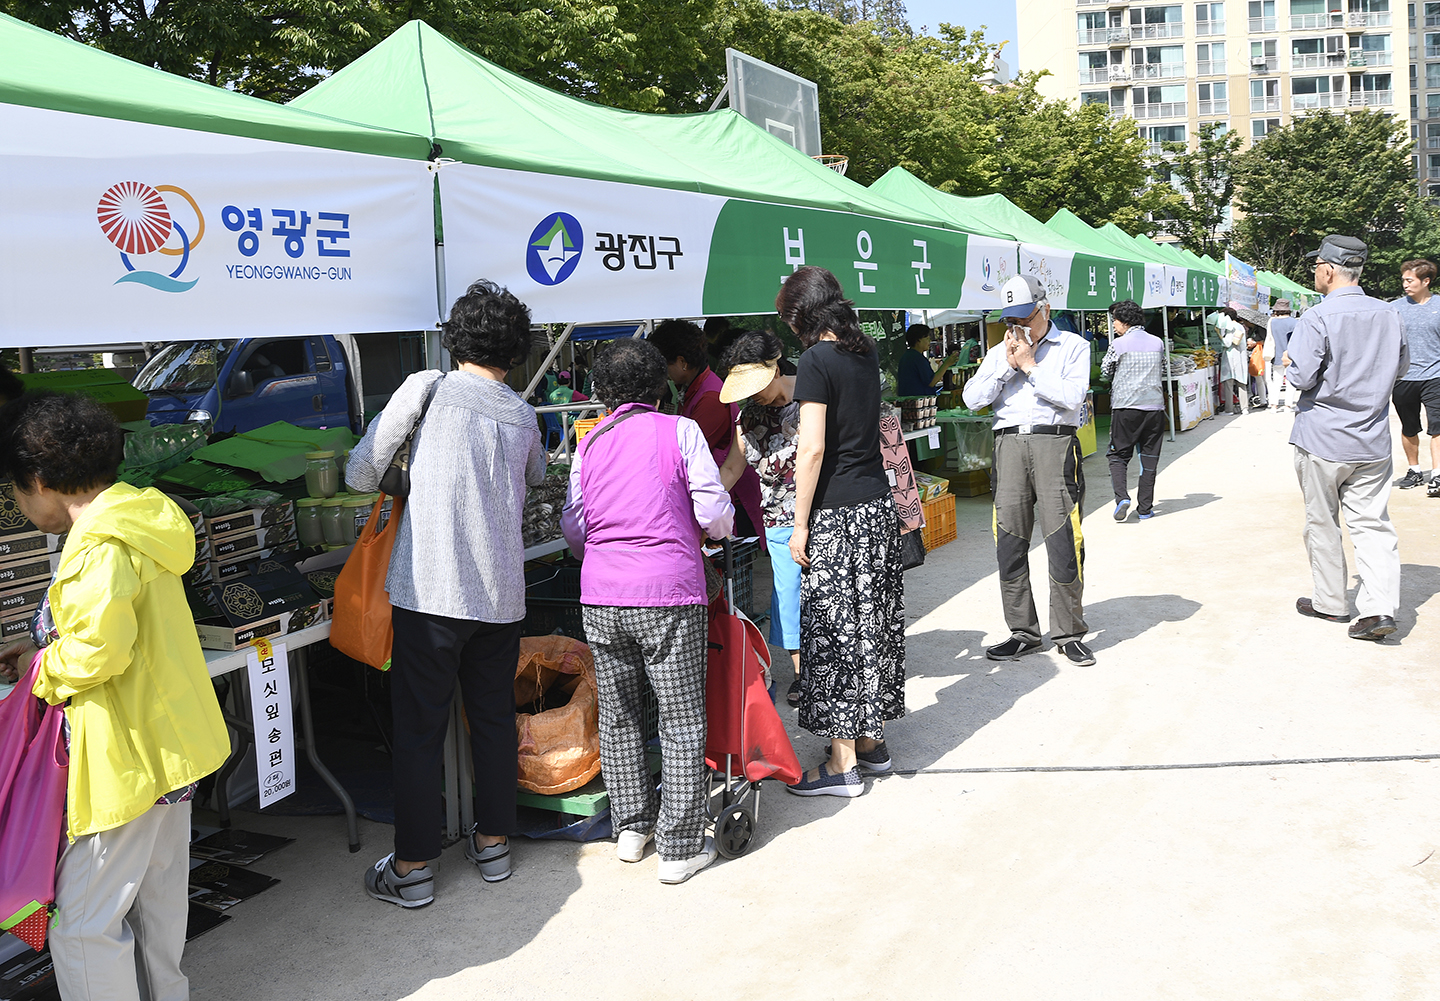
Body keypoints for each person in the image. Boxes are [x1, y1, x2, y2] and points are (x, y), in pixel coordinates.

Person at [0, 391, 230, 1001]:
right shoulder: (138, 521)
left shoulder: (97, 544)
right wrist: (38, 645)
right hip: (170, 748)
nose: (21, 505)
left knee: (81, 927)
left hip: (123, 756)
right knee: (157, 908)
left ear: (43, 482)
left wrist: (35, 668)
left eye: (19, 491)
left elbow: (97, 653)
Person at [347, 279, 546, 908]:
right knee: (491, 720)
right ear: (515, 350)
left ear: (453, 337)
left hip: (431, 590)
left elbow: (359, 472)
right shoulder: (523, 412)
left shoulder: (425, 389)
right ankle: (493, 846)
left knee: (418, 729)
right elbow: (537, 478)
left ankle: (413, 867)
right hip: (500, 595)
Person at [559, 338, 734, 884]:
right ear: (661, 386)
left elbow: (573, 523)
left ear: (603, 393)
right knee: (681, 720)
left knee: (618, 713)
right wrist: (716, 531)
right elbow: (711, 509)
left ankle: (631, 830)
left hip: (602, 595)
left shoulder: (590, 443)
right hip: (669, 594)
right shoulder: (680, 431)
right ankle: (680, 848)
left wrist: (607, 557)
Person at [778, 266, 906, 798]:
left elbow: (811, 449)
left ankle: (841, 762)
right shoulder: (863, 351)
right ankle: (871, 744)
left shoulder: (814, 360)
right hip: (876, 507)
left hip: (837, 513)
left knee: (832, 630)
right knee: (871, 624)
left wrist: (801, 524)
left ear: (801, 316)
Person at [962, 274, 1094, 666]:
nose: (1019, 328)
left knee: (1062, 540)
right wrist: (1006, 367)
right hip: (1007, 445)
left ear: (1045, 309)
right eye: (1011, 321)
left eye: (1026, 318)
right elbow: (972, 399)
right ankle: (1023, 631)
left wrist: (1032, 367)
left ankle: (1068, 632)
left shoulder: (1072, 346)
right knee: (1009, 540)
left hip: (1055, 442)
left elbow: (1072, 398)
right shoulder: (997, 352)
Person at [1284, 235, 1408, 642]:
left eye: (1316, 265)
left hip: (1323, 436)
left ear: (1329, 269)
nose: (1314, 272)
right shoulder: (1389, 313)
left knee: (1322, 522)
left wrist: (1291, 362)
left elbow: (1302, 376)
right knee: (1373, 526)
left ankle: (1331, 602)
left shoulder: (1317, 317)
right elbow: (1401, 367)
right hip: (1372, 438)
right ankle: (1379, 610)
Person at [715, 331, 804, 707]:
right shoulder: (747, 413)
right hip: (779, 519)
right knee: (788, 597)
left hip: (824, 512)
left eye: (757, 385)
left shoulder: (813, 395)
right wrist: (699, 505)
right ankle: (805, 675)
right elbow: (734, 467)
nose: (754, 395)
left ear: (775, 367)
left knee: (826, 597)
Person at [649, 319, 765, 542]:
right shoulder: (695, 388)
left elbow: (683, 457)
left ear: (682, 362)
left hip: (730, 497)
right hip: (721, 493)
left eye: (665, 366)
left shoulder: (710, 397)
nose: (664, 375)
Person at [1100, 299, 1166, 523]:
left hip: (1126, 407)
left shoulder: (1119, 344)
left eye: (1115, 321)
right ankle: (1145, 509)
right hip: (1154, 407)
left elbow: (1106, 370)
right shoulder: (1157, 342)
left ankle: (1122, 498)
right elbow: (1163, 368)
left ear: (1124, 321)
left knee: (1118, 456)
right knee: (1149, 459)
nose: (1114, 326)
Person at [1389, 259, 1440, 494]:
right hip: (1404, 377)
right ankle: (1415, 470)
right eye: (1403, 280)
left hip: (1435, 375)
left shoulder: (1439, 305)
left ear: (1426, 281)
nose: (1405, 284)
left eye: (1409, 280)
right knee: (1409, 427)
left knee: (1437, 426)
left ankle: (1438, 475)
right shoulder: (1395, 308)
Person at [896, 324, 958, 398]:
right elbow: (931, 382)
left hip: (910, 402)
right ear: (918, 340)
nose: (930, 341)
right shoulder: (916, 358)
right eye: (927, 338)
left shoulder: (907, 356)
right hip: (918, 403)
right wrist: (946, 364)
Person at [1215, 307, 1250, 414]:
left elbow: (1227, 343)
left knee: (1229, 383)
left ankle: (1229, 409)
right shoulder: (1240, 326)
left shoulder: (1230, 326)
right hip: (1241, 357)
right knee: (1241, 382)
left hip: (1231, 358)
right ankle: (1244, 408)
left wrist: (1218, 334)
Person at [1264, 300, 1297, 413]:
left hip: (1276, 354)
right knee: (1290, 381)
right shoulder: (1294, 322)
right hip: (1291, 356)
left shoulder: (1272, 322)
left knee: (1276, 380)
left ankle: (1274, 405)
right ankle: (1288, 405)